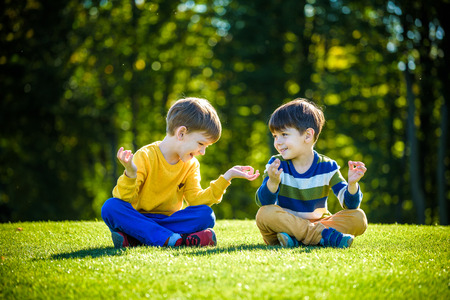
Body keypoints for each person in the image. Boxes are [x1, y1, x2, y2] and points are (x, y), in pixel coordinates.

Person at [102, 97, 260, 248]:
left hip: (171, 220)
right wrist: (130, 174)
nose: (202, 152)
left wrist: (227, 177)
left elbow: (196, 201)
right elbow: (124, 198)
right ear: (181, 133)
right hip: (140, 218)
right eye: (201, 144)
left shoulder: (191, 165)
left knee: (206, 214)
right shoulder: (145, 156)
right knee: (111, 207)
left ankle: (139, 238)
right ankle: (174, 239)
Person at [255, 98, 368, 248]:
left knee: (358, 217)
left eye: (284, 134)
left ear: (308, 135)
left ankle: (298, 240)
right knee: (264, 214)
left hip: (319, 224)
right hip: (286, 226)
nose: (278, 142)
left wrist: (352, 185)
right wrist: (272, 182)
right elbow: (263, 202)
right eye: (275, 136)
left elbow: (349, 204)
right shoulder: (276, 164)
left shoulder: (328, 166)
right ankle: (320, 237)